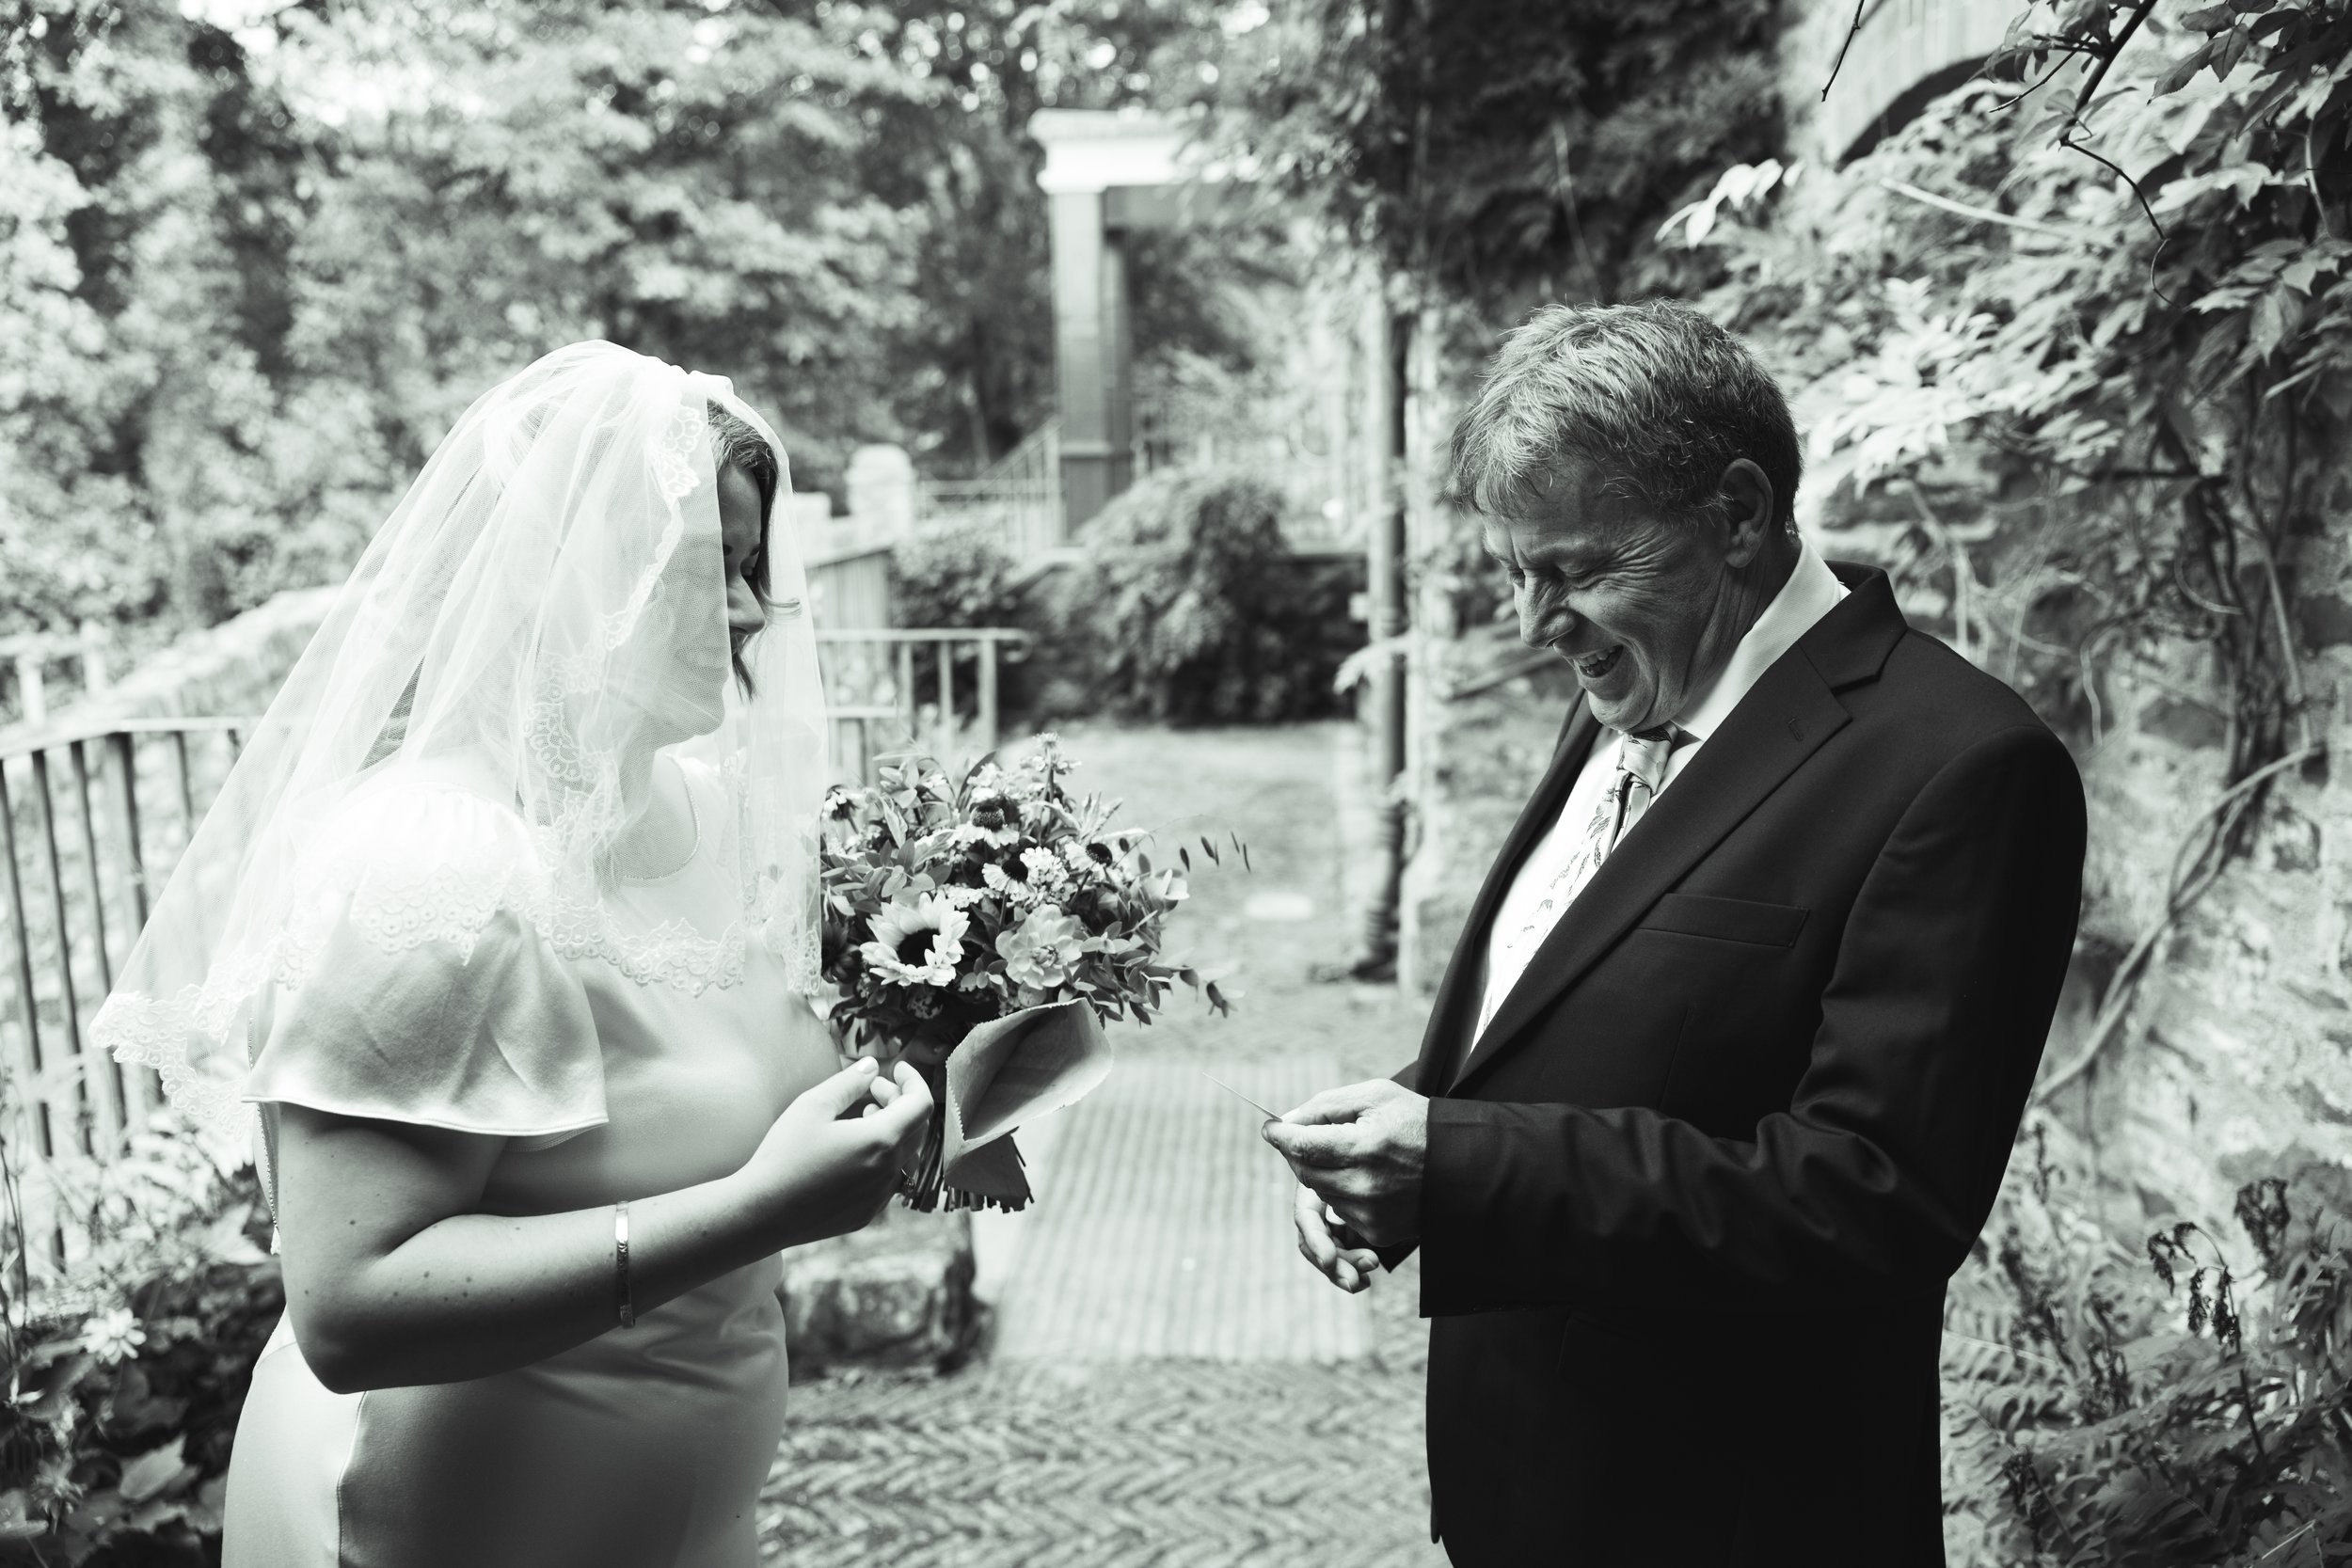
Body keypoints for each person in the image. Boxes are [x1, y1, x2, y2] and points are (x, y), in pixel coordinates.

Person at [1264, 301, 2087, 1566]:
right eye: (1515, 574)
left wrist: (1466, 1160)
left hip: (1732, 1518)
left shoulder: (1964, 767)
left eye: (1579, 569)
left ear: (1740, 516)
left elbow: (1874, 1201)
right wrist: (1408, 1130)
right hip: (1526, 1485)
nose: (1537, 626)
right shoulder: (1637, 680)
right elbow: (1583, 1012)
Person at [91, 342, 931, 1568]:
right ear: (578, 576)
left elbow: (731, 1101)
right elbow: (352, 1304)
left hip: (672, 1516)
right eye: (712, 569)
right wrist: (761, 1208)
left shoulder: (702, 815)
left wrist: (910, 1093)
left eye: (751, 567)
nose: (753, 610)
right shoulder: (429, 867)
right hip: (450, 1521)